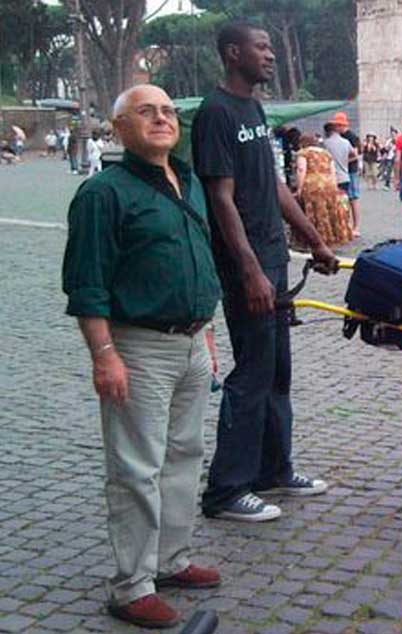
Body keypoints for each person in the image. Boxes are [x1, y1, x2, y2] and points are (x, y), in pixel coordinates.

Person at [62, 84, 223, 629]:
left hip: (191, 342)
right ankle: (131, 586)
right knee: (136, 466)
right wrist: (103, 353)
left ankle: (169, 560)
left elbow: (197, 259)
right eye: (145, 112)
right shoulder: (102, 194)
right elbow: (87, 282)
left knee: (184, 455)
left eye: (168, 111)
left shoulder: (190, 182)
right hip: (138, 346)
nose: (161, 119)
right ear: (120, 128)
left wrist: (205, 332)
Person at [192, 21, 337, 523]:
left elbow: (273, 185)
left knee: (278, 373)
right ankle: (226, 490)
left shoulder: (254, 108)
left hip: (274, 257)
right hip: (246, 265)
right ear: (234, 53)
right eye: (262, 47)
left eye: (273, 47)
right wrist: (250, 272)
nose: (271, 55)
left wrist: (313, 240)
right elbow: (221, 198)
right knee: (252, 374)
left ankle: (274, 468)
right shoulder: (216, 113)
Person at [292, 135, 353, 249]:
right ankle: (330, 240)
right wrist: (334, 186)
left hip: (312, 184)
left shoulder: (303, 153)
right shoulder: (326, 153)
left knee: (313, 212)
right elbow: (333, 171)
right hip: (329, 184)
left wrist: (299, 188)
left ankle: (311, 241)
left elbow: (301, 169)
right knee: (328, 212)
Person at [322, 116, 355, 236]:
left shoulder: (325, 144)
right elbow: (354, 154)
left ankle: (335, 230)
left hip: (331, 178)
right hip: (345, 176)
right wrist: (346, 161)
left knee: (332, 205)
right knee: (344, 204)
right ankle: (346, 228)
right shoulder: (346, 142)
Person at [333, 112, 363, 238]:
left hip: (350, 170)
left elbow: (355, 155)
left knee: (353, 198)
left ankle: (356, 227)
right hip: (345, 170)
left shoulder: (351, 137)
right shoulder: (343, 137)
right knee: (345, 198)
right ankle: (346, 225)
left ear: (341, 125)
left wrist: (342, 161)